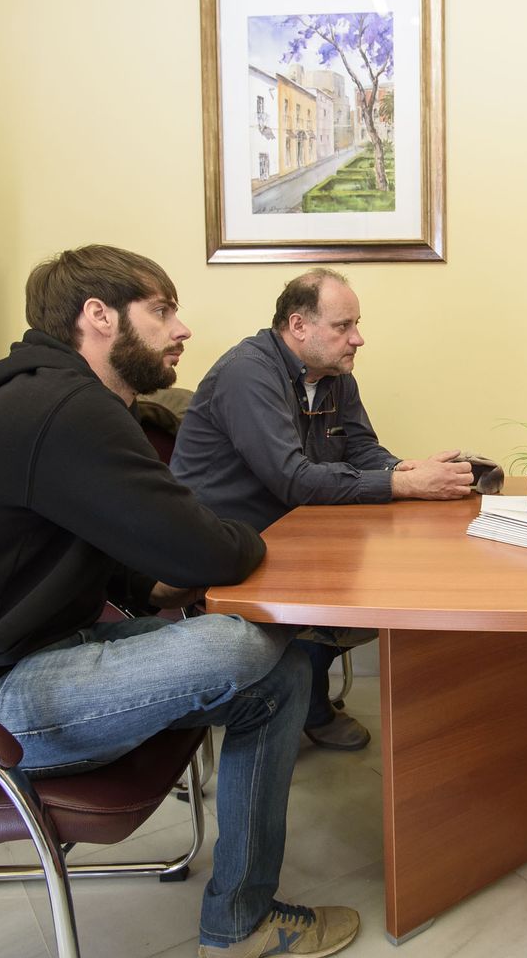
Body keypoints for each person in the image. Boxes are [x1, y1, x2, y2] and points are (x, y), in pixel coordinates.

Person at [0, 245, 358, 958]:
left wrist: (156, 589)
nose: (181, 328)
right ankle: (241, 922)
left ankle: (239, 924)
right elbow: (203, 548)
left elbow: (101, 549)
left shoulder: (53, 401)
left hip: (19, 664)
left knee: (280, 675)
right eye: (161, 310)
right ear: (98, 316)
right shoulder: (65, 409)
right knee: (246, 646)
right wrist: (252, 545)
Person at [171, 268, 472, 750]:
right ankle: (299, 699)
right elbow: (292, 479)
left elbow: (362, 448)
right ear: (298, 325)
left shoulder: (335, 375)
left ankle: (307, 693)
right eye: (343, 326)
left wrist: (404, 469)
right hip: (233, 541)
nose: (358, 339)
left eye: (356, 324)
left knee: (385, 575)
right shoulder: (247, 373)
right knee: (350, 587)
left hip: (298, 530)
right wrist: (403, 484)